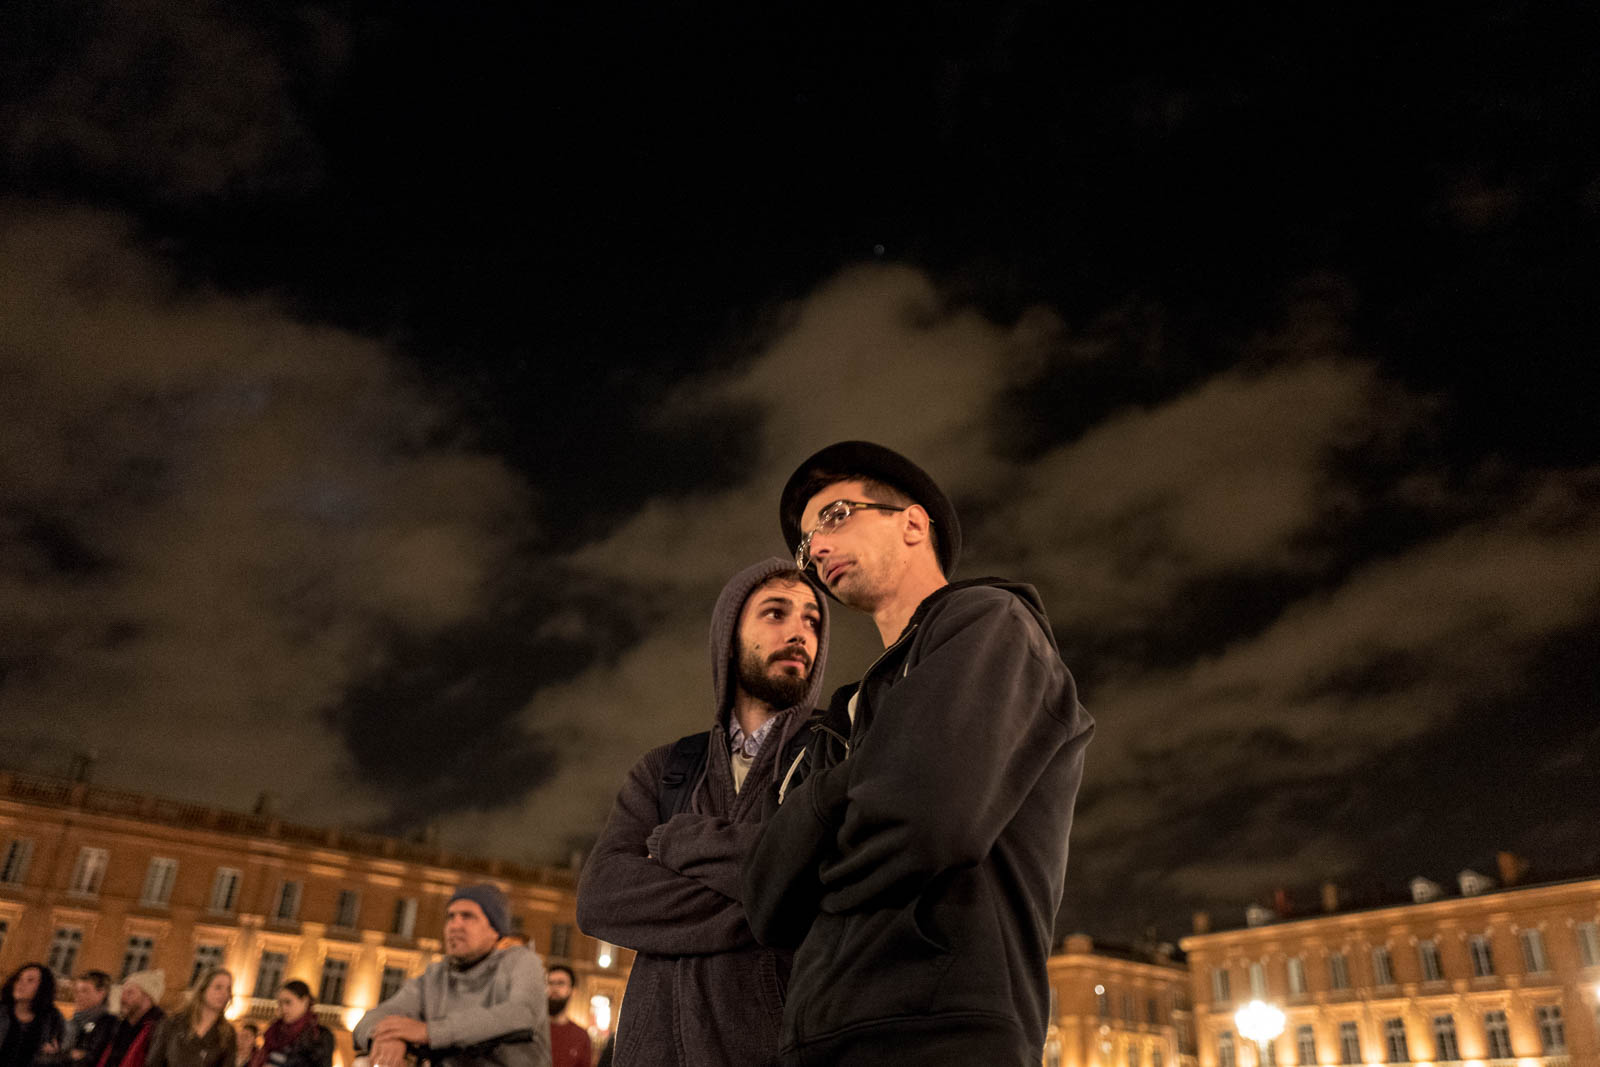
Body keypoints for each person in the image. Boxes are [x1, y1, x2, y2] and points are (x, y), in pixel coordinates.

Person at [744, 441, 1095, 1067]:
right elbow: (769, 902)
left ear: (912, 522)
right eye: (805, 543)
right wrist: (844, 791)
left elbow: (929, 819)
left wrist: (816, 823)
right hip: (813, 1044)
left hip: (943, 1037)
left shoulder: (991, 624)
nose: (814, 549)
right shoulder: (840, 717)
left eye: (834, 515)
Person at [577, 558, 831, 1067]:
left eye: (812, 620)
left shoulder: (837, 752)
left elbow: (826, 885)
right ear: (728, 635)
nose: (800, 632)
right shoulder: (666, 769)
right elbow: (601, 897)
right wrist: (770, 902)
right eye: (776, 613)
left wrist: (681, 845)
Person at [353, 885, 549, 1067]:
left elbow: (523, 1012)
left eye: (468, 916)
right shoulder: (434, 976)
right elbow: (377, 1015)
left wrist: (430, 1032)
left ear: (494, 931)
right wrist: (384, 1037)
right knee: (363, 1063)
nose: (455, 925)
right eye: (450, 916)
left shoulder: (521, 961)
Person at [145, 970, 235, 1067]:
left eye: (228, 989)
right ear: (202, 989)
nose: (224, 994)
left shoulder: (227, 1034)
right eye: (218, 987)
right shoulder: (172, 1023)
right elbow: (153, 1062)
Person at [37, 970, 115, 1067]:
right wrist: (67, 1054)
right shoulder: (70, 1022)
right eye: (76, 991)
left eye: (85, 991)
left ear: (101, 993)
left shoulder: (107, 1024)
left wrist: (59, 1055)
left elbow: (88, 1059)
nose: (78, 996)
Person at [248, 982, 330, 1067]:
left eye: (288, 1002)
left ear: (305, 1001)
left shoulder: (319, 1035)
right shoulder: (274, 1031)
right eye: (280, 1003)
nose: (283, 1008)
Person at [95, 972, 166, 1067]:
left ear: (147, 998)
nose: (122, 997)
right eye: (123, 992)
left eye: (130, 993)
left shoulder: (159, 1031)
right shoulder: (120, 1025)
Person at [0, 963, 66, 1067]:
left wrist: (53, 1055)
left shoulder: (53, 1018)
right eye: (18, 979)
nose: (21, 984)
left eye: (30, 980)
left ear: (42, 986)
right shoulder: (2, 1011)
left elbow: (60, 1057)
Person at [541, 968, 587, 1067]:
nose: (554, 988)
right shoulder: (530, 1028)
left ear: (573, 991)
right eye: (549, 983)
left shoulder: (581, 1036)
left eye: (560, 983)